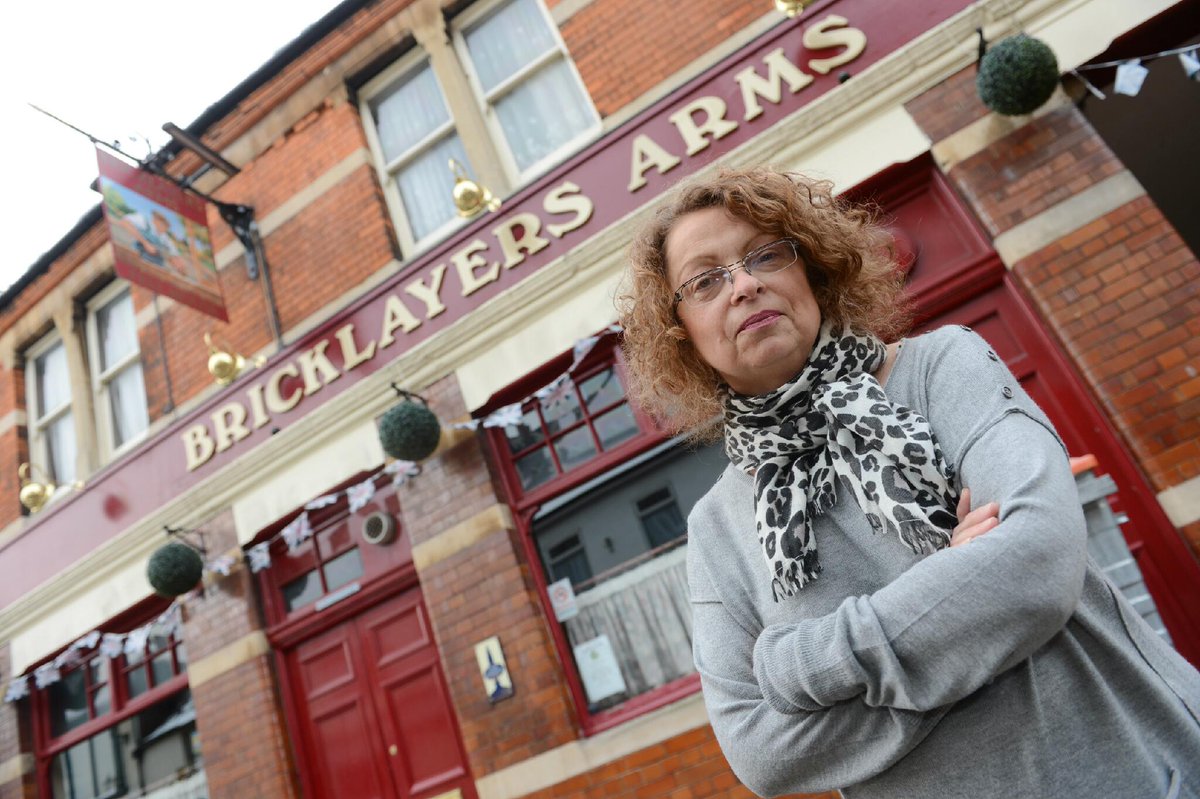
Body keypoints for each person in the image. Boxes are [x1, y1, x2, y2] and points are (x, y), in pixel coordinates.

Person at [617, 166, 1200, 798]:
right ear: (681, 331)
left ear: (809, 268)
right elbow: (761, 753)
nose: (746, 285)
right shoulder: (717, 527)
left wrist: (798, 665)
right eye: (706, 280)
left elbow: (1037, 565)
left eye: (766, 254)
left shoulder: (945, 365)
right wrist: (962, 600)